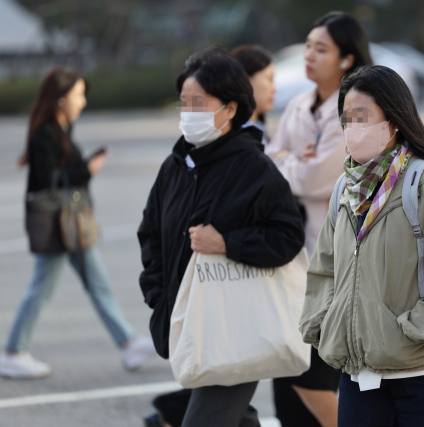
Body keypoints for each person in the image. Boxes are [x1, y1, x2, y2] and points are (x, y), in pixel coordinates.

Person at [299, 65, 424, 427]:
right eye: (346, 119)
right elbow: (324, 270)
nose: (352, 128)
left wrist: (405, 334)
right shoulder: (345, 190)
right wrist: (325, 325)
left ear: (395, 119)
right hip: (359, 378)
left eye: (362, 117)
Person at [137, 46, 305, 427]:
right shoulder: (176, 165)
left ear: (230, 109)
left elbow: (288, 236)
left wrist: (227, 243)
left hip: (235, 327)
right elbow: (150, 234)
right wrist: (158, 294)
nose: (189, 112)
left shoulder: (253, 168)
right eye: (184, 102)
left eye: (200, 102)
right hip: (190, 324)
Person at [0, 66, 156, 380]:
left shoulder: (60, 128)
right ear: (60, 99)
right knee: (41, 289)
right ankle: (13, 352)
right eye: (78, 95)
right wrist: (87, 170)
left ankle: (127, 343)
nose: (82, 102)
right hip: (58, 226)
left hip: (69, 226)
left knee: (97, 284)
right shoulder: (45, 132)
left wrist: (84, 166)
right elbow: (46, 181)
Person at [265, 11, 373, 427]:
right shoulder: (297, 106)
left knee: (316, 378)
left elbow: (315, 178)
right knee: (289, 376)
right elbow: (268, 164)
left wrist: (288, 163)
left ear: (346, 59)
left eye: (320, 48)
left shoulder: (356, 109)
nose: (308, 55)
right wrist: (292, 161)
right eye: (308, 45)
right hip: (293, 262)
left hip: (338, 263)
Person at [231, 44, 276, 146]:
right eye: (269, 79)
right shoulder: (237, 140)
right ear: (245, 81)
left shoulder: (259, 130)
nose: (274, 89)